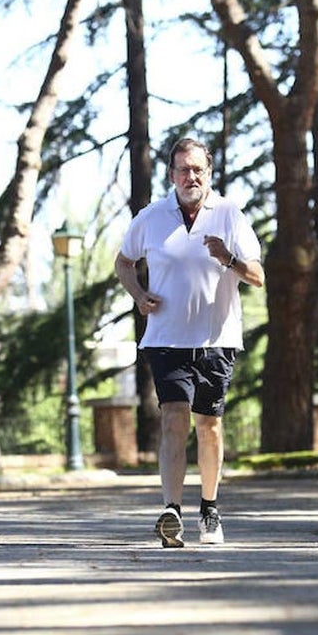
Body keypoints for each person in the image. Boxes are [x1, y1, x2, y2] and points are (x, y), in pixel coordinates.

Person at [115, 137, 265, 547]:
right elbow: (123, 262)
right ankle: (172, 510)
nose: (190, 176)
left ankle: (210, 510)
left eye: (197, 169)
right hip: (165, 338)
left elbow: (258, 275)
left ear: (209, 173)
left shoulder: (230, 215)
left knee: (210, 426)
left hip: (217, 339)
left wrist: (228, 259)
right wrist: (138, 294)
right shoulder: (151, 217)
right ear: (171, 175)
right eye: (183, 169)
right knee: (174, 416)